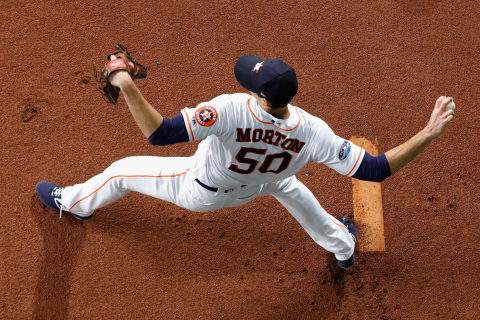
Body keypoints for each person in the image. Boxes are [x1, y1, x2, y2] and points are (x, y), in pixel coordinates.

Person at [36, 54, 454, 269]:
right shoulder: (312, 129)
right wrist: (427, 134)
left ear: (262, 97)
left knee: (123, 171)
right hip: (263, 183)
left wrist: (125, 84)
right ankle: (344, 250)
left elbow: (161, 134)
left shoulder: (233, 109)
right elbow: (375, 170)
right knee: (293, 189)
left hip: (203, 190)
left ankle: (70, 202)